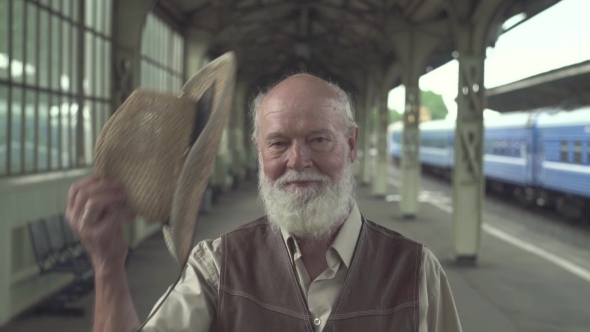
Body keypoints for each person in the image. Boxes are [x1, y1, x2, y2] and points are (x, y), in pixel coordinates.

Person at [66, 74, 463, 332]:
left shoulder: (416, 272)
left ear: (352, 145)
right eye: (279, 143)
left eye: (318, 140)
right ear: (259, 151)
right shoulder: (217, 267)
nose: (297, 161)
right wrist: (107, 266)